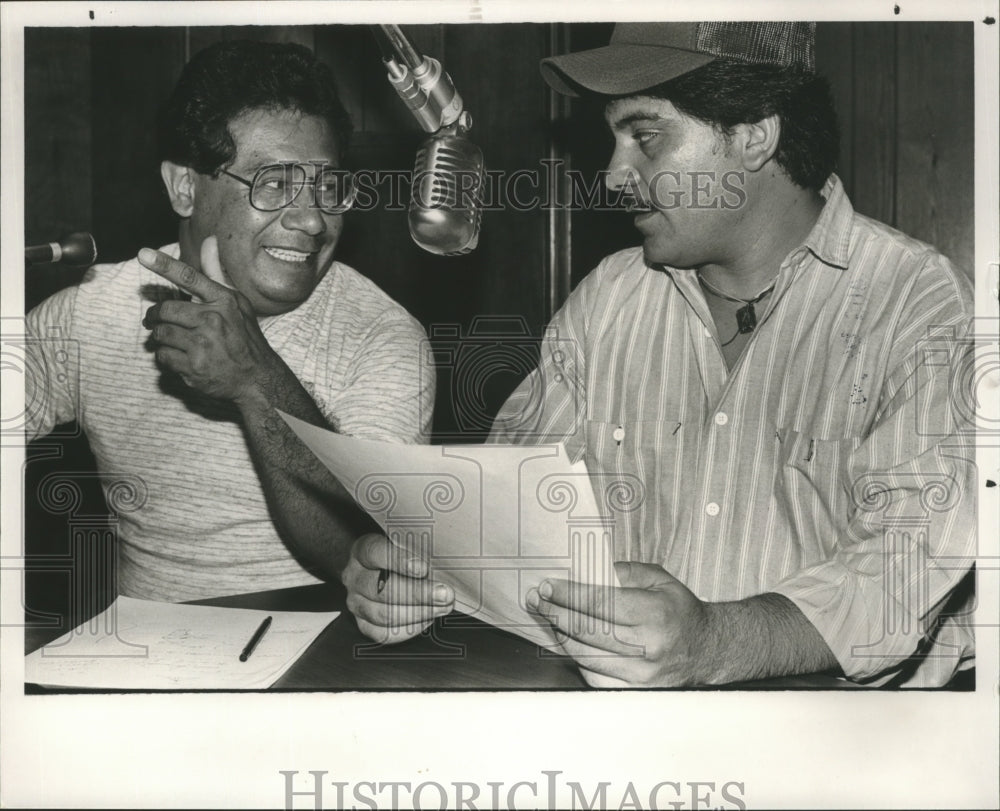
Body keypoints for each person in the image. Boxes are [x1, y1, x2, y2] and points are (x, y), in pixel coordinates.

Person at [342, 22, 976, 688]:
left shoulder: (919, 304)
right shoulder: (610, 298)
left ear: (755, 134)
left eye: (645, 137)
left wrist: (716, 641)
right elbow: (510, 512)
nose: (615, 175)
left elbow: (902, 571)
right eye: (612, 139)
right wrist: (420, 570)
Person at [26, 40, 434, 602]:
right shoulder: (90, 310)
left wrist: (254, 378)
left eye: (328, 185)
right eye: (272, 183)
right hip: (145, 661)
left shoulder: (382, 336)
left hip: (323, 662)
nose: (313, 219)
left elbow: (368, 544)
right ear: (186, 187)